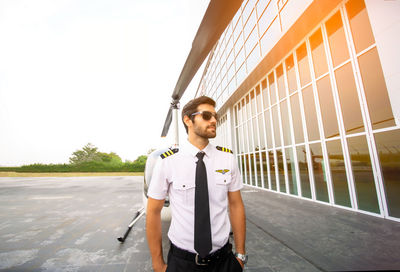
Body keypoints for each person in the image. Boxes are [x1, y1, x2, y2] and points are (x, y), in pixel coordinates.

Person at [146, 96, 247, 272]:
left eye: (216, 116)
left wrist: (240, 255)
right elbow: (153, 212)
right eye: (207, 115)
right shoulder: (168, 161)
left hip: (224, 261)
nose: (214, 120)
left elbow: (236, 205)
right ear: (188, 120)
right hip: (182, 263)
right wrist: (157, 263)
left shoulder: (227, 158)